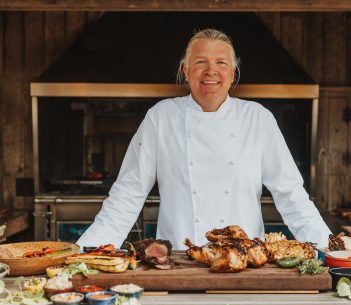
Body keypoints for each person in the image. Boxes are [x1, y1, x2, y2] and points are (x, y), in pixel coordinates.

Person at [77, 28, 332, 250]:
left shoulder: (257, 118)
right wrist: (86, 250)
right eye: (200, 62)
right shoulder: (161, 117)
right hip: (178, 258)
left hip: (243, 261)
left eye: (221, 63)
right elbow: (128, 192)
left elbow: (290, 193)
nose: (211, 70)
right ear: (186, 71)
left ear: (233, 73)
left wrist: (329, 247)